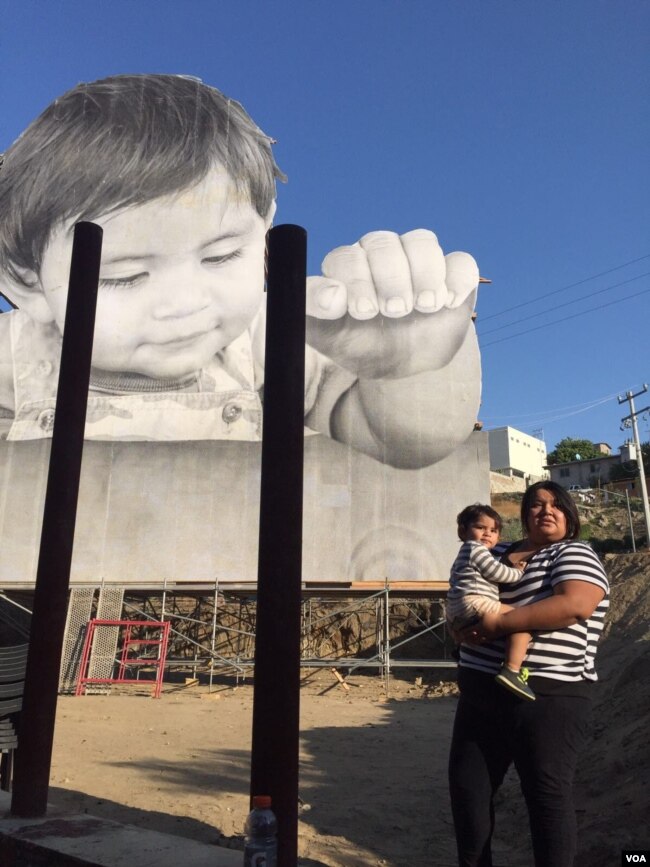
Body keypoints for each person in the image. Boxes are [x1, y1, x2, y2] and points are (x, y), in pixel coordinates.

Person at [0, 73, 481, 468]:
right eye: (123, 276)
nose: (185, 302)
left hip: (236, 581)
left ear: (265, 236)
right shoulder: (10, 356)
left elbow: (403, 442)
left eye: (221, 256)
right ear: (25, 279)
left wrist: (410, 368)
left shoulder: (267, 340)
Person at [448, 481, 609, 867]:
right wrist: (457, 627)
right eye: (536, 505)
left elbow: (574, 605)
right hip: (481, 694)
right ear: (524, 516)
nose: (546, 511)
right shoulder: (498, 552)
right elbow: (461, 588)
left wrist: (496, 626)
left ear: (570, 516)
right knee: (468, 791)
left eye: (556, 505)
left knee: (545, 796)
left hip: (550, 696)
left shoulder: (575, 551)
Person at [446, 504, 535, 701]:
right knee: (520, 621)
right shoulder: (474, 548)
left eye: (493, 530)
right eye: (480, 528)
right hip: (474, 601)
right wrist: (518, 572)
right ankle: (512, 670)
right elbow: (497, 572)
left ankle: (461, 651)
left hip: (457, 608)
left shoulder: (464, 553)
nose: (487, 533)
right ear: (463, 531)